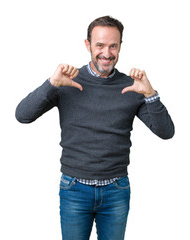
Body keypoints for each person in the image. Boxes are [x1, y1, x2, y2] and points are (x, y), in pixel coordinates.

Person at [15, 16, 174, 240]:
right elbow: (22, 115)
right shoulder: (67, 81)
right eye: (100, 45)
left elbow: (166, 132)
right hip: (74, 189)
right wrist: (51, 84)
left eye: (113, 46)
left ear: (120, 47)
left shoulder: (132, 86)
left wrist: (150, 94)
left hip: (116, 190)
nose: (106, 53)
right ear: (88, 45)